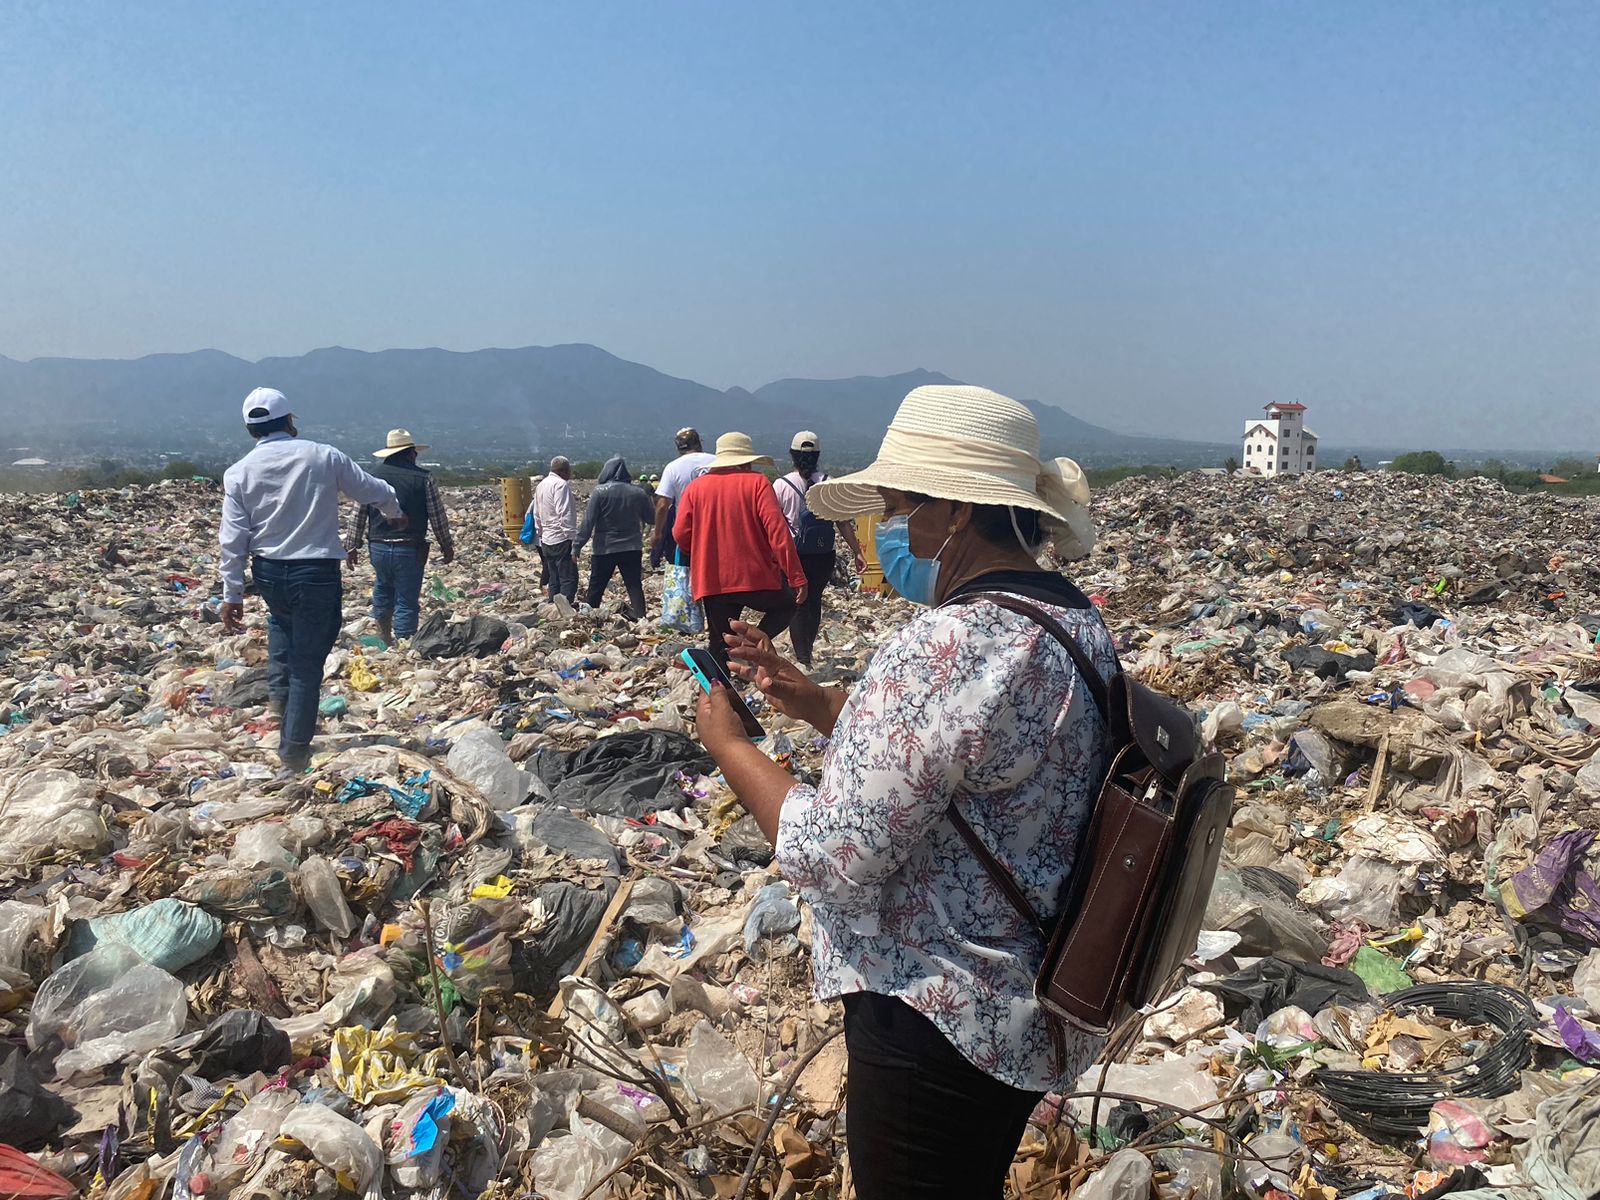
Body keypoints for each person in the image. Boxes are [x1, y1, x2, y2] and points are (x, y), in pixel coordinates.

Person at [690, 386, 1111, 1200]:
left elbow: (834, 856)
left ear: (951, 511)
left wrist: (733, 748)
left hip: (935, 1009)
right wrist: (820, 705)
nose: (890, 529)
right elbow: (982, 757)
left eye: (899, 507)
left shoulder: (948, 642)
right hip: (1025, 1001)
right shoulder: (1068, 622)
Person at [219, 387, 408, 772]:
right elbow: (372, 490)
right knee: (307, 664)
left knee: (282, 628)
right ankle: (293, 753)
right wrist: (393, 510)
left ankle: (282, 708)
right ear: (290, 422)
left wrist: (232, 594)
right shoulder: (323, 456)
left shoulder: (238, 473)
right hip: (315, 572)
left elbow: (233, 538)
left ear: (250, 430)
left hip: (269, 572)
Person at [671, 432, 807, 673]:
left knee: (719, 642)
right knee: (788, 604)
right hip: (755, 576)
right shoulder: (757, 483)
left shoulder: (696, 488)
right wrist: (796, 576)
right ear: (746, 461)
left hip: (712, 581)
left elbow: (680, 533)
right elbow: (777, 532)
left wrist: (700, 552)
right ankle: (753, 643)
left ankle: (718, 695)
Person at [344, 428, 455, 643]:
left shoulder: (371, 477)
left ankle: (384, 635)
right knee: (406, 598)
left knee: (383, 588)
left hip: (378, 546)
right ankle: (403, 643)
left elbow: (359, 513)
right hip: (408, 547)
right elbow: (437, 515)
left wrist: (351, 545)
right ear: (411, 453)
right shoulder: (424, 478)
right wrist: (446, 545)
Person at [774, 431, 867, 668]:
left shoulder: (781, 485)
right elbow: (843, 522)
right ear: (817, 456)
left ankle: (802, 656)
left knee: (797, 601)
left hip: (795, 554)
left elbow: (773, 525)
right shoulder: (829, 482)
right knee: (814, 600)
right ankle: (808, 651)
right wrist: (857, 551)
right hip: (823, 554)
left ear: (793, 456)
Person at [575, 455, 655, 619]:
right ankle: (641, 618)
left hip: (605, 547)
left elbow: (588, 522)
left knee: (596, 587)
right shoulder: (638, 493)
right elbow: (651, 518)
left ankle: (589, 618)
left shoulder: (600, 492)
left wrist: (577, 546)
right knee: (634, 586)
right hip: (632, 547)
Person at [650, 427, 715, 569]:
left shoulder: (673, 468)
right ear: (699, 443)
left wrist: (658, 533)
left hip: (688, 529)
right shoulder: (717, 461)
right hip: (716, 526)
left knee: (687, 572)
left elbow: (662, 505)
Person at [534, 457, 578, 603]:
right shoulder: (560, 485)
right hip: (561, 539)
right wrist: (572, 539)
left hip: (546, 539)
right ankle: (565, 610)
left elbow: (536, 513)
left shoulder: (541, 485)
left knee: (554, 578)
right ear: (564, 471)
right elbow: (564, 513)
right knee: (568, 578)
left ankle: (553, 605)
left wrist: (541, 532)